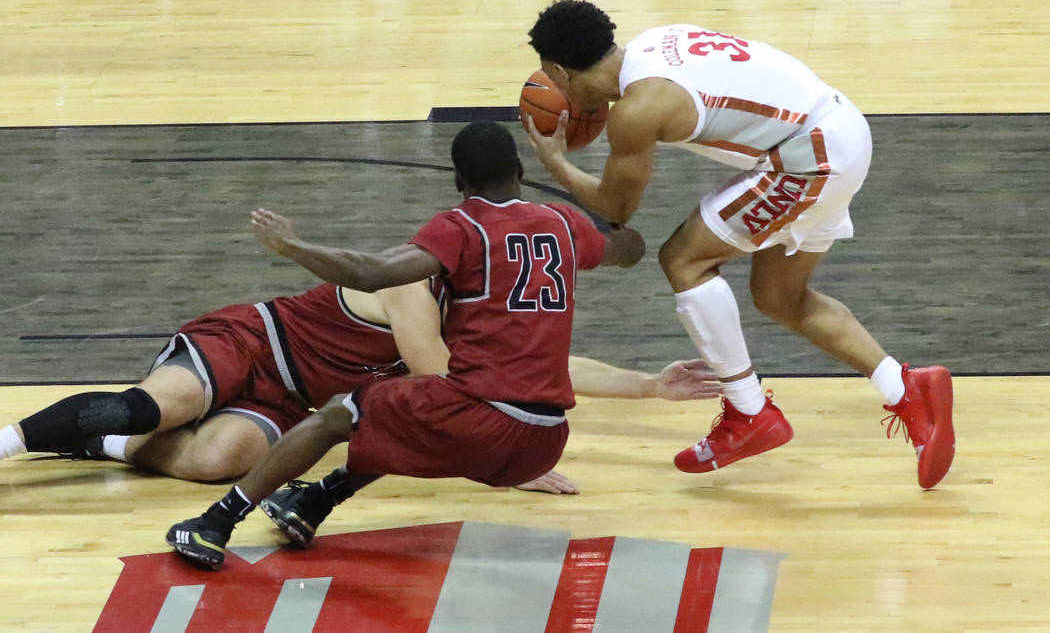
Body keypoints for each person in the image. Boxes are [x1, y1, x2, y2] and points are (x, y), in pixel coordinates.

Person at [164, 120, 653, 569]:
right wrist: (594, 200)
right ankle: (313, 502)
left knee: (342, 413)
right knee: (397, 413)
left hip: (480, 419)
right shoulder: (565, 225)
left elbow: (370, 272)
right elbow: (631, 248)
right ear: (520, 170)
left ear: (459, 180)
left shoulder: (463, 227)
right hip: (544, 442)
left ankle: (215, 524)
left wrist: (292, 246)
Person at [523, 0, 955, 489]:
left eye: (550, 78)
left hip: (810, 156)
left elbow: (616, 210)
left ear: (559, 70)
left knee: (683, 260)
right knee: (779, 297)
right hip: (841, 127)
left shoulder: (639, 109)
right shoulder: (656, 42)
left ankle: (749, 412)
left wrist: (555, 161)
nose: (552, 87)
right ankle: (906, 388)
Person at [0, 241, 717, 490]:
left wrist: (650, 387)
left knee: (225, 458)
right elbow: (447, 379)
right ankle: (11, 441)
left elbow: (550, 364)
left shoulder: (472, 299)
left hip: (290, 401)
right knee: (160, 406)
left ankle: (103, 443)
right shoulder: (413, 280)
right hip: (251, 341)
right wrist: (507, 456)